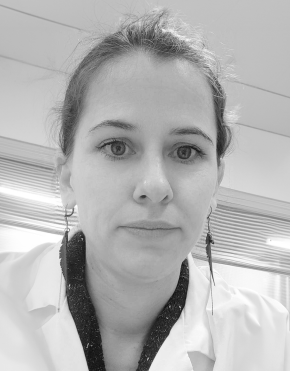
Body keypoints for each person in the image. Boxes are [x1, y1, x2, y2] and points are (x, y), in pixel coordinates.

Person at [0, 7, 289, 371]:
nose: (155, 186)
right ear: (67, 178)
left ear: (216, 182)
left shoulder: (275, 342)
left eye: (186, 151)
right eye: (117, 147)